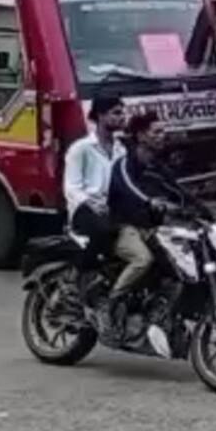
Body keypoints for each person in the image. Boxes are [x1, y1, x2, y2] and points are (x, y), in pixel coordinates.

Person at [105, 112, 175, 302]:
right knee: (143, 260)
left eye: (164, 131)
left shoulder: (158, 166)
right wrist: (148, 201)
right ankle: (111, 304)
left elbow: (180, 193)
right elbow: (128, 187)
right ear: (141, 136)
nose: (163, 135)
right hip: (123, 227)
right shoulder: (125, 163)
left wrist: (211, 216)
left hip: (150, 228)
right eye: (157, 132)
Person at [63, 94, 126, 244]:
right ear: (101, 116)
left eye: (122, 113)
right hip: (85, 211)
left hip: (112, 210)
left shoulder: (121, 149)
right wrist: (92, 206)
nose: (122, 117)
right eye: (116, 113)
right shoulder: (81, 148)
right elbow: (71, 188)